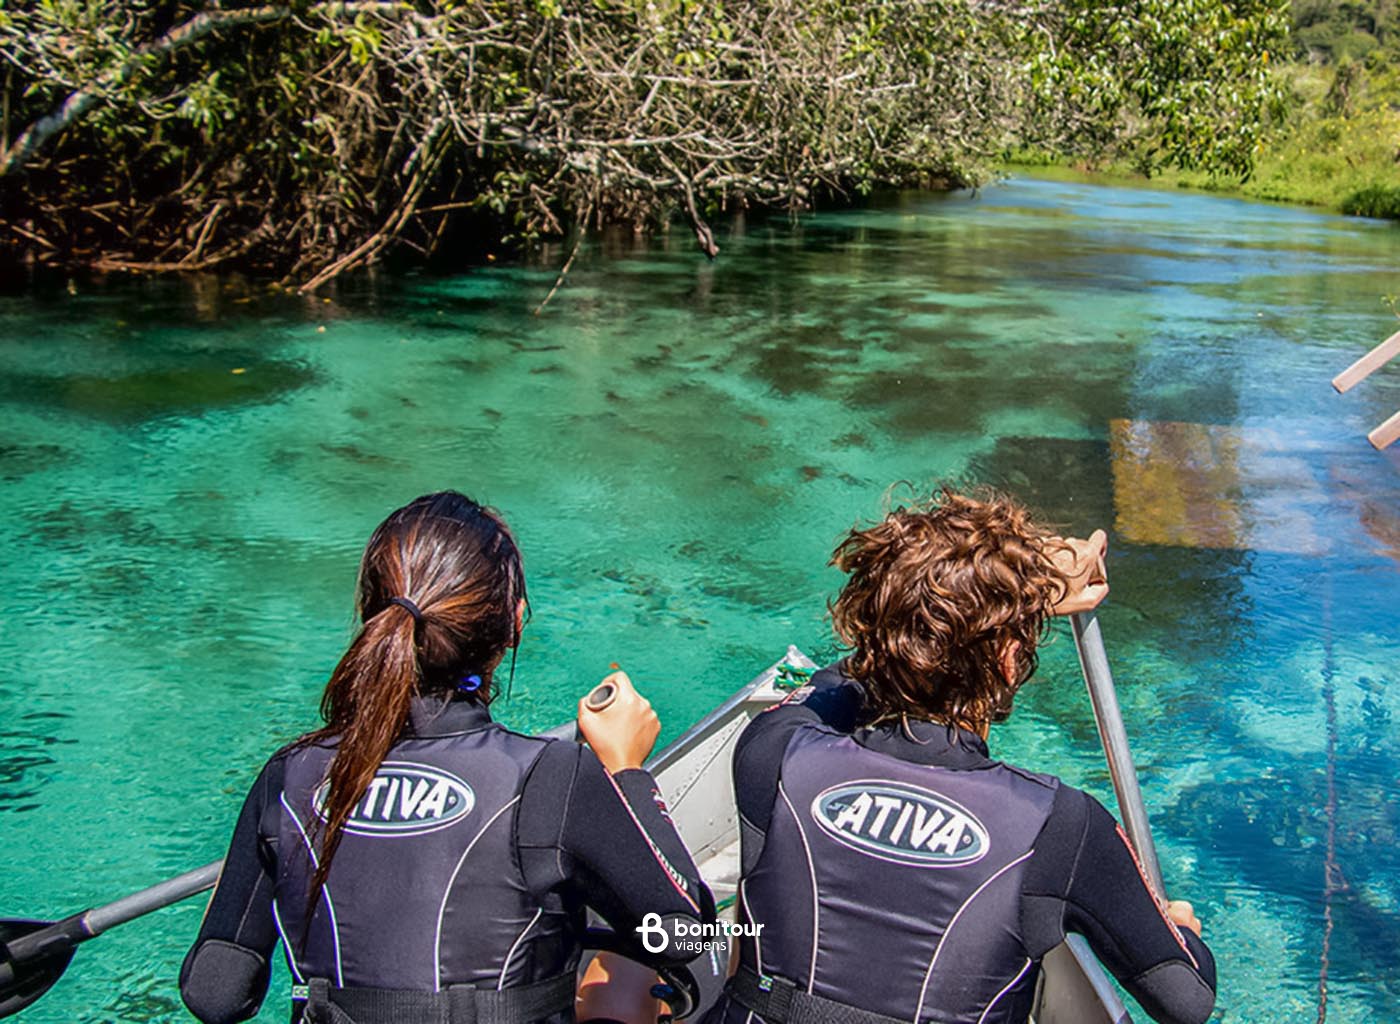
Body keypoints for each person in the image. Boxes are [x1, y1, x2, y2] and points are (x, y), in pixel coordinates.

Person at [180, 491, 712, 1024]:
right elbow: (686, 934)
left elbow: (217, 992)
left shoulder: (290, 775)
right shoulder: (552, 777)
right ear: (514, 624)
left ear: (370, 615)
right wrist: (626, 770)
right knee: (619, 982)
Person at [708, 489, 1216, 1024]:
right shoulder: (1060, 825)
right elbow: (1185, 1002)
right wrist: (1181, 932)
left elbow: (835, 683)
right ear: (1008, 659)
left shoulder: (776, 752)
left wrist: (1000, 604)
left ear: (877, 629)